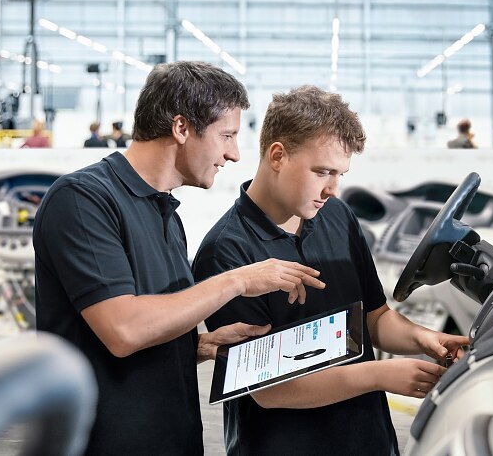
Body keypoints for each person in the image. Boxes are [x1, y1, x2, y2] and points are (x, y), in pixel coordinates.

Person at [33, 61, 325, 455]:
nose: (234, 154)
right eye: (227, 135)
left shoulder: (166, 215)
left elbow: (138, 331)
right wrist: (237, 280)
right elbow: (123, 331)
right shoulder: (83, 200)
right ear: (182, 128)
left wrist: (197, 347)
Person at [192, 85, 469, 456]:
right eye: (322, 171)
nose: (332, 189)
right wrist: (379, 375)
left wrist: (425, 339)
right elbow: (269, 390)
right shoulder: (225, 252)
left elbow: (373, 317)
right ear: (278, 155)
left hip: (368, 440)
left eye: (340, 173)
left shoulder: (337, 216)